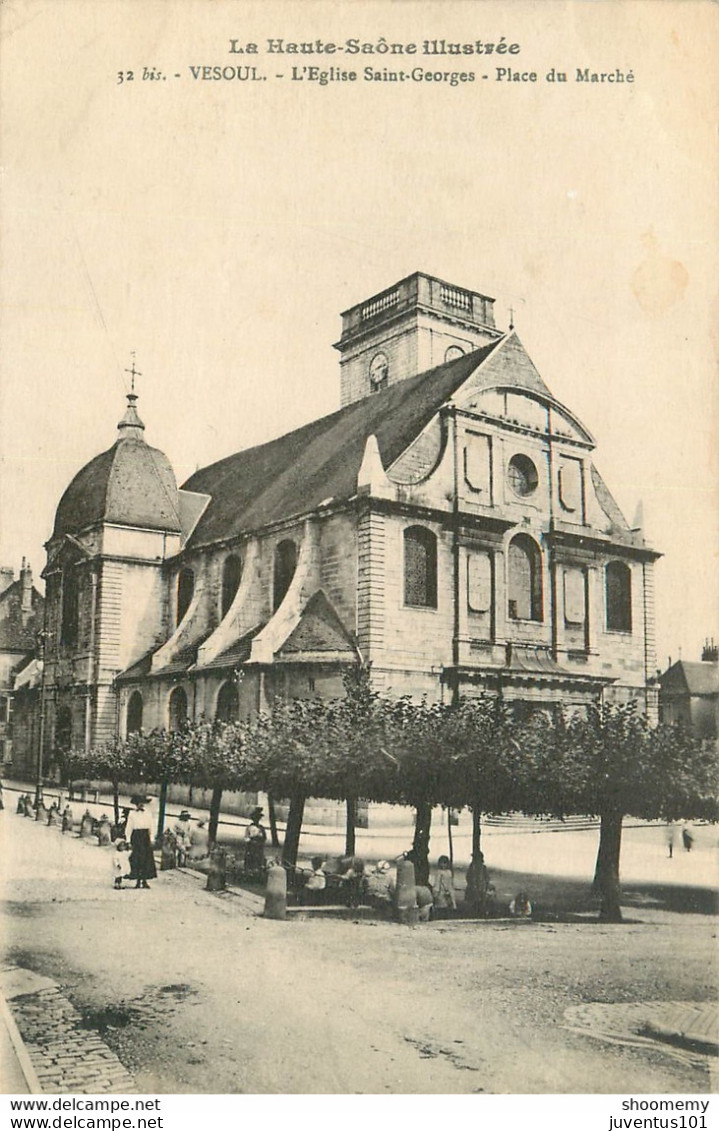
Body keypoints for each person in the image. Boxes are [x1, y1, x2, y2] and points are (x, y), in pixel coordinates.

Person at [125, 796, 157, 889]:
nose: (141, 805)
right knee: (137, 858)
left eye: (142, 803)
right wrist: (128, 840)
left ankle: (144, 881)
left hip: (145, 836)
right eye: (139, 803)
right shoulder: (132, 814)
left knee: (146, 859)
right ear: (136, 804)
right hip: (136, 836)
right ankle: (138, 881)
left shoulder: (148, 813)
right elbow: (129, 827)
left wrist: (152, 838)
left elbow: (151, 826)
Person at [243, 806, 267, 873]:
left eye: (258, 818)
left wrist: (261, 841)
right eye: (255, 818)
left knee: (259, 860)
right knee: (251, 859)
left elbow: (264, 837)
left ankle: (258, 872)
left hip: (259, 847)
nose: (257, 820)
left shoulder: (261, 828)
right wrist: (251, 841)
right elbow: (246, 837)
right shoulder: (249, 827)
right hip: (251, 847)